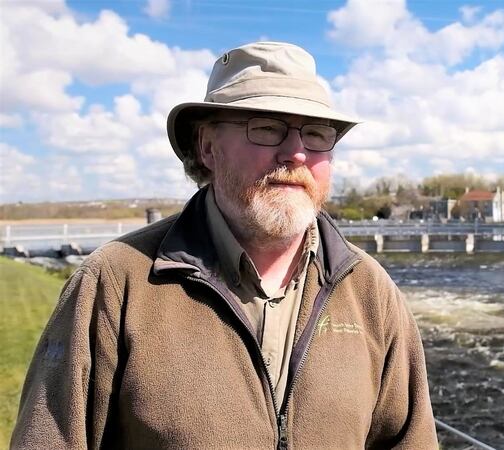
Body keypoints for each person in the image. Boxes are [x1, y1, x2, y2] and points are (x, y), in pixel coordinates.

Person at [12, 42, 438, 449]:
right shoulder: (116, 282)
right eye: (267, 128)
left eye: (316, 134)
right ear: (208, 147)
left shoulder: (369, 290)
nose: (296, 154)